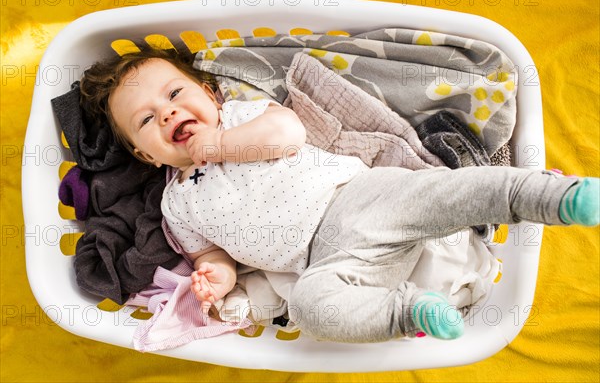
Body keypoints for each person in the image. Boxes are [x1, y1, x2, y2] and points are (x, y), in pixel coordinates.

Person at [79, 48, 599, 343]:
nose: (167, 113)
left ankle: (550, 196)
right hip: (328, 260)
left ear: (211, 95)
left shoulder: (242, 116)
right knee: (309, 307)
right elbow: (209, 252)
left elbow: (287, 135)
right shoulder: (177, 205)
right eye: (146, 120)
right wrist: (218, 276)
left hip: (361, 198)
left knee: (448, 194)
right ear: (146, 157)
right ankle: (409, 312)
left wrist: (219, 144)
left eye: (174, 95)